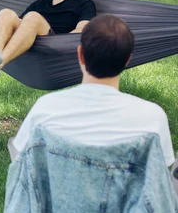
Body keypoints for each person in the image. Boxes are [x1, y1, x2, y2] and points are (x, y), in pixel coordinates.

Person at [9, 14, 174, 165]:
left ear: (80, 54)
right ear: (128, 60)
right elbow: (158, 173)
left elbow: (21, 162)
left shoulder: (46, 109)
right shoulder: (153, 117)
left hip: (61, 196)